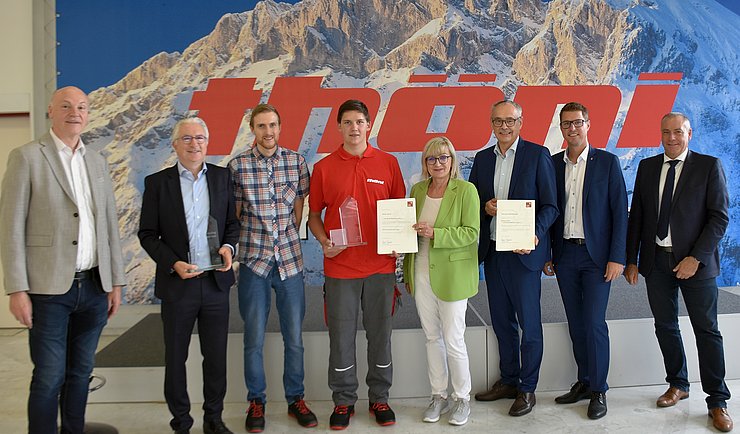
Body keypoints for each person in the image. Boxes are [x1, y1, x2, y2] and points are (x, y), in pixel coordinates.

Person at [0, 86, 126, 434]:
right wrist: (17, 289)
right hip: (47, 289)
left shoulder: (97, 162)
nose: (76, 112)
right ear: (51, 111)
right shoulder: (26, 157)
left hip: (94, 288)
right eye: (67, 106)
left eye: (83, 107)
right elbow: (10, 227)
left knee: (79, 373)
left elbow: (109, 226)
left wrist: (115, 282)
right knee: (48, 376)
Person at [625, 112, 733, 432]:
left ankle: (717, 401)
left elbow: (719, 218)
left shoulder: (708, 166)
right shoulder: (647, 167)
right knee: (665, 326)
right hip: (657, 263)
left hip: (695, 266)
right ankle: (678, 384)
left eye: (678, 132)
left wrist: (695, 258)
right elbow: (638, 220)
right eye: (666, 132)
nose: (671, 138)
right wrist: (632, 259)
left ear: (689, 134)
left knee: (707, 330)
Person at [308, 99, 405, 430]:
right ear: (339, 127)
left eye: (359, 122)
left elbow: (400, 213)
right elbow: (313, 216)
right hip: (340, 270)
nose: (354, 128)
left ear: (368, 126)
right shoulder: (323, 167)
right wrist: (324, 243)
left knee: (381, 335)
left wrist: (399, 245)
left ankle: (379, 397)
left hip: (380, 268)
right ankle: (343, 400)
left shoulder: (388, 163)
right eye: (347, 122)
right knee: (341, 337)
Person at [138, 117, 239, 434]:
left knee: (216, 358)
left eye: (200, 138)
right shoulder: (158, 183)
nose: (194, 143)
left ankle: (214, 418)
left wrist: (227, 247)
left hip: (214, 284)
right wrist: (173, 264)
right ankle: (181, 422)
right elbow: (147, 234)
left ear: (207, 142)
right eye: (187, 138)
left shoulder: (223, 178)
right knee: (176, 359)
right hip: (177, 284)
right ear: (175, 144)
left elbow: (232, 226)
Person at [227, 104, 316, 432]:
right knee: (254, 337)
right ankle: (256, 401)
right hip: (254, 262)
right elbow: (235, 215)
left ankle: (296, 399)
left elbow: (299, 208)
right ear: (253, 129)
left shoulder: (296, 162)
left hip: (290, 262)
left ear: (280, 127)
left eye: (273, 125)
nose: (268, 132)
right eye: (261, 126)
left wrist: (284, 237)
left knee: (294, 337)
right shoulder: (237, 166)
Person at [469, 100, 558, 417]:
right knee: (502, 321)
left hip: (524, 253)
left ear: (521, 122)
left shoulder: (537, 155)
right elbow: (472, 202)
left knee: (529, 324)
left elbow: (550, 206)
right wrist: (485, 207)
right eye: (498, 121)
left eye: (510, 121)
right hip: (494, 252)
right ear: (491, 124)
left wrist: (534, 233)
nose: (504, 126)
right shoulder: (481, 159)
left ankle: (527, 388)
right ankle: (508, 380)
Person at [543, 102, 628, 420]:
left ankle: (599, 391)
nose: (572, 128)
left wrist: (617, 257)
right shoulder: (552, 164)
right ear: (561, 129)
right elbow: (548, 211)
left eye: (577, 122)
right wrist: (549, 254)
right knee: (577, 324)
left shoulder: (607, 162)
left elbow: (620, 213)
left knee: (593, 324)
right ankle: (584, 381)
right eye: (566, 124)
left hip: (597, 258)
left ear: (588, 124)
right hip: (565, 256)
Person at [402, 137, 479, 426]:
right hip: (421, 271)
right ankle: (438, 396)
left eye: (443, 158)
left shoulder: (466, 190)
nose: (438, 164)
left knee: (454, 339)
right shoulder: (418, 190)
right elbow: (409, 231)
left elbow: (471, 233)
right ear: (425, 163)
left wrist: (437, 234)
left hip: (453, 276)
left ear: (452, 160)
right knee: (432, 338)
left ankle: (462, 398)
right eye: (431, 159)